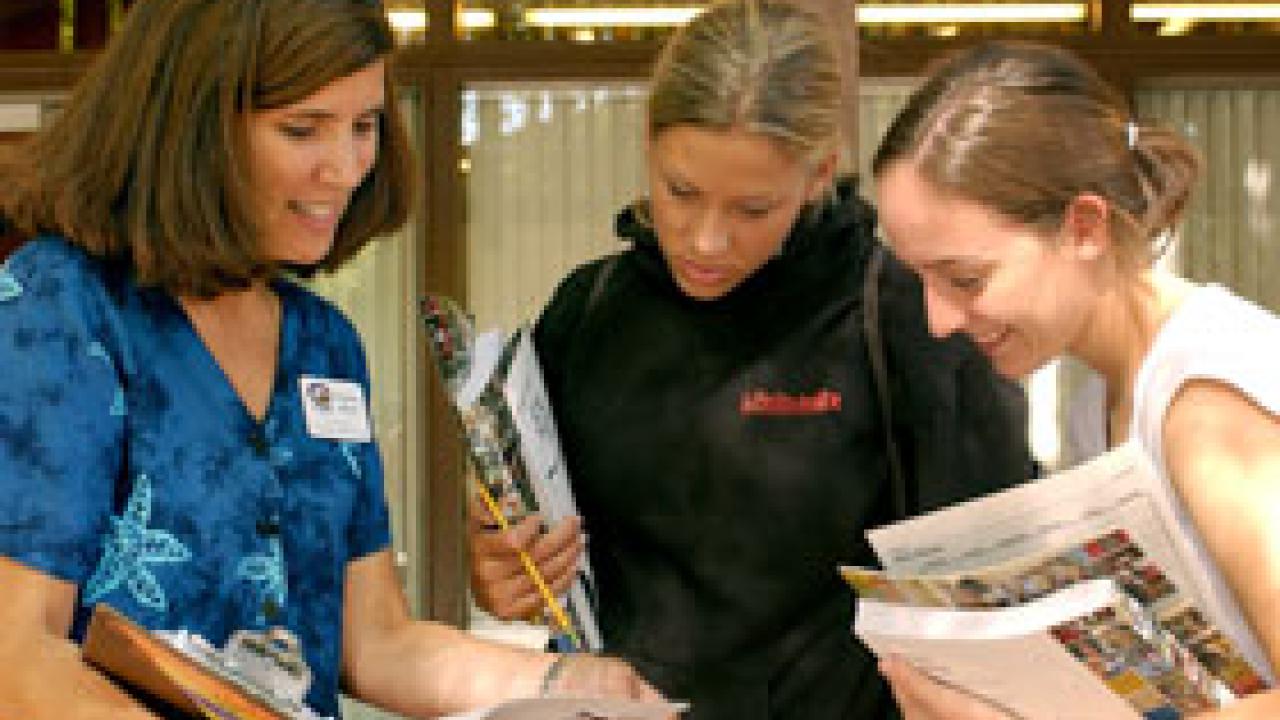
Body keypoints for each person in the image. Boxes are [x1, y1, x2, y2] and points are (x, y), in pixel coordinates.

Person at [0, 1, 661, 718]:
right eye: (302, 128)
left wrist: (568, 685)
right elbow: (16, 654)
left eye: (365, 125)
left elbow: (374, 642)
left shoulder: (324, 343)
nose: (346, 168)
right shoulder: (57, 308)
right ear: (193, 129)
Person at [467, 2, 1037, 717]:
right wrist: (505, 570)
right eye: (682, 193)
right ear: (648, 144)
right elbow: (537, 566)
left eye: (753, 209)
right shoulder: (587, 312)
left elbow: (993, 597)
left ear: (818, 172)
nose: (707, 241)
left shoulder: (908, 320)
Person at [870, 41, 1280, 718]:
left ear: (1085, 227)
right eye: (919, 279)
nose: (937, 320)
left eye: (966, 279)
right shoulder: (1101, 398)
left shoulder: (1207, 405)